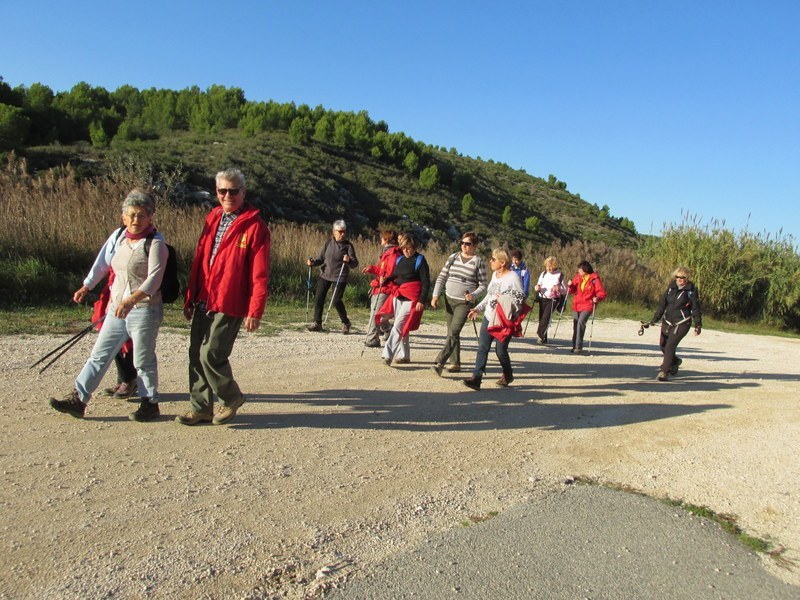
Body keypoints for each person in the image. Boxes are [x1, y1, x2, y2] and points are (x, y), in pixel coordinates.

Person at [49, 189, 168, 422]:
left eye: (142, 215)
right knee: (99, 355)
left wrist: (131, 300)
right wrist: (87, 286)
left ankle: (150, 403)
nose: (136, 220)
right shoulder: (120, 238)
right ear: (123, 217)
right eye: (131, 215)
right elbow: (103, 263)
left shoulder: (156, 244)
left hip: (144, 310)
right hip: (117, 309)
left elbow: (154, 280)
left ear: (150, 217)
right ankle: (78, 399)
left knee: (142, 360)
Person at [176, 169, 271, 426]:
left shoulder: (256, 227)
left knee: (211, 353)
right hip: (204, 298)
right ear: (216, 192)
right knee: (196, 354)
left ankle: (231, 397)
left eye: (233, 191)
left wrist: (255, 309)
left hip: (231, 301)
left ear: (244, 192)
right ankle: (200, 409)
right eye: (222, 191)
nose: (227, 196)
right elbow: (200, 260)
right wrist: (190, 297)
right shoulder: (213, 217)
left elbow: (260, 274)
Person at [464, 248, 528, 390]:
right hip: (489, 317)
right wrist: (477, 309)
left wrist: (505, 299)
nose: (490, 261)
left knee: (500, 351)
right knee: (482, 347)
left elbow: (520, 299)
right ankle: (476, 378)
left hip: (504, 320)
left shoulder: (513, 277)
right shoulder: (494, 275)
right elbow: (489, 295)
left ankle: (508, 374)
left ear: (503, 262)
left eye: (493, 259)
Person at [430, 232, 488, 375]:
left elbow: (483, 285)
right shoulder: (453, 257)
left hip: (464, 303)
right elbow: (442, 276)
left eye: (467, 243)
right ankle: (455, 363)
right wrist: (435, 295)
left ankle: (439, 362)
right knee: (451, 333)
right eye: (462, 242)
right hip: (449, 299)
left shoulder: (478, 261)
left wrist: (473, 295)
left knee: (454, 331)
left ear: (474, 246)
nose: (463, 245)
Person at [377, 234, 430, 366]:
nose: (406, 251)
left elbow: (426, 282)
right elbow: (395, 275)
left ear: (415, 247)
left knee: (398, 326)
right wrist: (386, 279)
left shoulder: (420, 260)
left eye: (409, 248)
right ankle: (404, 356)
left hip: (411, 299)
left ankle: (388, 355)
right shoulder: (400, 260)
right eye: (404, 248)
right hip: (398, 297)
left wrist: (421, 301)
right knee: (402, 327)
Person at [306, 220, 359, 333]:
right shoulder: (328, 243)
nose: (343, 234)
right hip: (325, 274)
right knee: (319, 297)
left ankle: (345, 322)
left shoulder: (348, 246)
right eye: (340, 232)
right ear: (334, 232)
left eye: (344, 231)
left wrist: (348, 260)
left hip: (340, 276)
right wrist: (313, 263)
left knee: (336, 300)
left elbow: (355, 264)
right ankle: (317, 323)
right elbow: (321, 259)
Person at [650, 267, 702, 381]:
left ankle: (664, 371)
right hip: (667, 321)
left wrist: (698, 325)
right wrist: (655, 319)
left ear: (687, 278)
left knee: (670, 346)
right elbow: (662, 304)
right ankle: (675, 361)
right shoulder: (671, 288)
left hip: (682, 322)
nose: (679, 279)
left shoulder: (691, 290)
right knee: (663, 345)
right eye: (677, 277)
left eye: (682, 277)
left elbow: (696, 308)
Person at [361, 229, 401, 347]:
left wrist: (384, 278)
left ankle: (372, 338)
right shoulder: (388, 253)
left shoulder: (393, 254)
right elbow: (381, 269)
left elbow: (390, 272)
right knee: (380, 312)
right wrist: (371, 268)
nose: (380, 240)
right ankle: (388, 330)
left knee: (375, 312)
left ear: (386, 239)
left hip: (386, 287)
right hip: (382, 286)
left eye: (382, 238)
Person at [566, 260, 607, 353]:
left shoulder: (594, 279)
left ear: (585, 269)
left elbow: (601, 292)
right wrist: (570, 285)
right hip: (577, 305)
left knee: (580, 322)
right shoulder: (578, 277)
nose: (578, 271)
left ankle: (578, 346)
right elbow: (572, 291)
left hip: (588, 305)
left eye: (580, 269)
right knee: (576, 324)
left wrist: (597, 298)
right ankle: (574, 345)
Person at [533, 256, 567, 344]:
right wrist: (537, 287)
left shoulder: (560, 275)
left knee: (546, 317)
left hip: (554, 299)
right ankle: (544, 337)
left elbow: (565, 290)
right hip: (543, 297)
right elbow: (538, 284)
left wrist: (559, 288)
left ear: (555, 266)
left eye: (551, 266)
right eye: (548, 266)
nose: (549, 268)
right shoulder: (544, 273)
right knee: (542, 317)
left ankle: (540, 334)